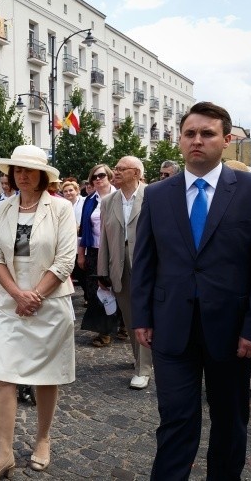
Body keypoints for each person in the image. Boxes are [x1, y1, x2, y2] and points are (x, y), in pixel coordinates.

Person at [131, 101, 251, 479]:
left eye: (207, 133)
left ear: (226, 140)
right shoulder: (157, 194)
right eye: (190, 133)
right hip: (172, 329)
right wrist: (142, 318)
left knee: (230, 423)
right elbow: (145, 262)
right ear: (180, 140)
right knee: (175, 421)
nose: (197, 140)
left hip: (235, 333)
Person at [0, 145, 76, 479]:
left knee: (46, 378)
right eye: (17, 169)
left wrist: (34, 295)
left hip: (49, 304)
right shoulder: (3, 208)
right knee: (4, 375)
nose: (21, 175)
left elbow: (65, 259)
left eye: (28, 170)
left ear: (42, 175)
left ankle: (43, 439)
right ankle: (3, 454)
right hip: (10, 304)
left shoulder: (61, 208)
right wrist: (18, 294)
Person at [97, 156, 153, 390]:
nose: (116, 172)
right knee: (131, 319)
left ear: (137, 173)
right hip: (120, 267)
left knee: (149, 317)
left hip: (150, 266)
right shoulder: (109, 201)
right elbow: (105, 238)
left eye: (121, 169)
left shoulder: (153, 195)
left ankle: (144, 368)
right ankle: (140, 360)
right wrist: (102, 272)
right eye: (115, 169)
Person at [78, 163, 118, 347]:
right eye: (94, 177)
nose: (97, 179)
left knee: (119, 289)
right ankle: (104, 331)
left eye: (101, 175)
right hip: (94, 250)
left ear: (109, 176)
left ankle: (124, 325)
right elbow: (83, 229)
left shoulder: (119, 196)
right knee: (97, 291)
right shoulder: (90, 200)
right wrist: (81, 254)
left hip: (116, 250)